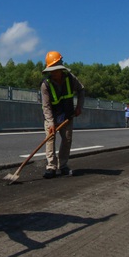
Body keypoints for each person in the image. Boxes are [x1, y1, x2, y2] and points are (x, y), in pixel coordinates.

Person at [40, 51, 85, 179]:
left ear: (61, 69)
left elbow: (81, 90)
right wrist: (50, 123)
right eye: (51, 70)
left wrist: (79, 107)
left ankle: (63, 165)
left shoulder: (70, 79)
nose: (53, 73)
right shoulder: (45, 85)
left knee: (67, 139)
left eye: (56, 70)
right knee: (50, 139)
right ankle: (51, 167)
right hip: (52, 116)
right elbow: (46, 106)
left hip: (67, 115)